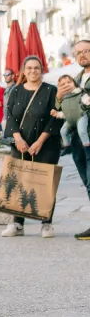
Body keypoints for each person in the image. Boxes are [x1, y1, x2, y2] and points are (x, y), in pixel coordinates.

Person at [1, 56, 61, 239]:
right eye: (29, 68)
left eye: (36, 68)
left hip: (46, 144)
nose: (33, 71)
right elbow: (10, 117)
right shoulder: (16, 91)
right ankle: (18, 224)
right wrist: (18, 139)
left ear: (41, 70)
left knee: (45, 183)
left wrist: (40, 141)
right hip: (20, 145)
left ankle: (46, 224)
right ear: (23, 70)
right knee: (18, 182)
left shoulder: (51, 91)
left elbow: (56, 117)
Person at [71, 40, 90, 240]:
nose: (82, 55)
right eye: (78, 53)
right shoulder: (74, 80)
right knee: (87, 182)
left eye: (86, 51)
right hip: (78, 139)